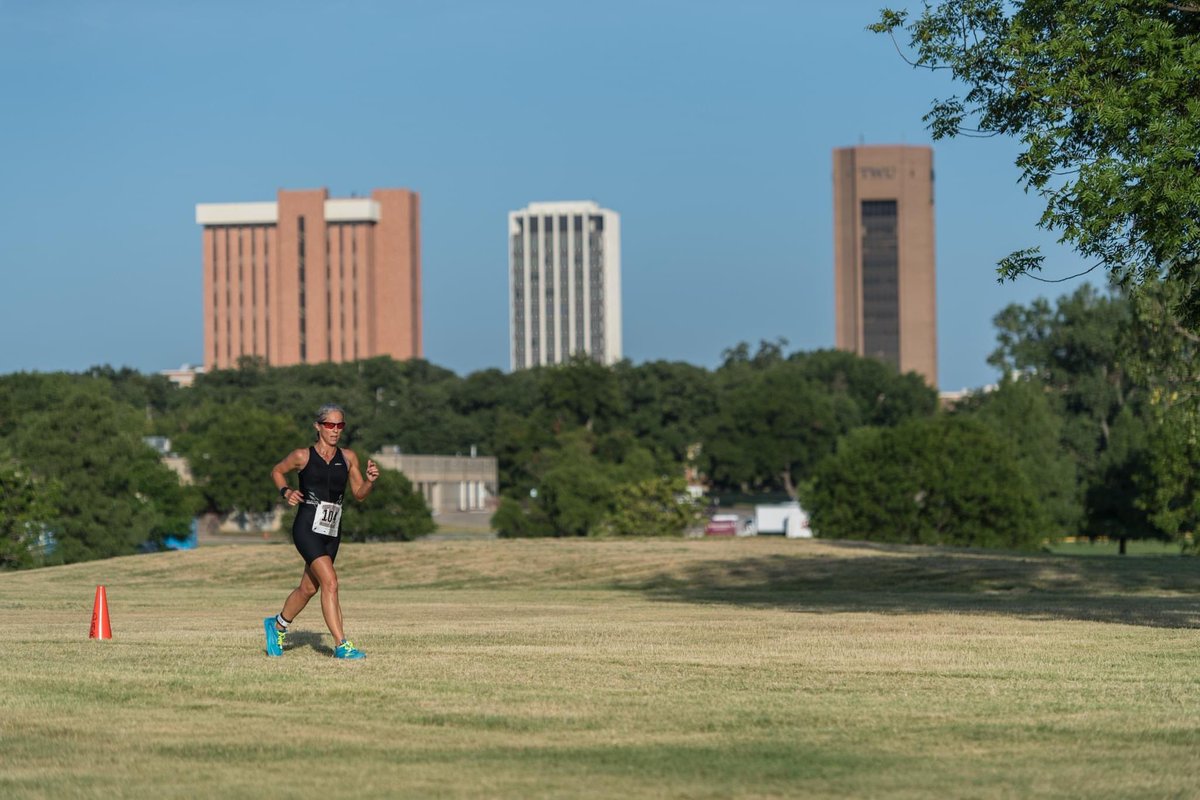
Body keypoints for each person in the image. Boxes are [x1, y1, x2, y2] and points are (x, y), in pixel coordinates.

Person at [265, 403, 379, 659]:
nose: (335, 430)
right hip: (307, 526)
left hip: (331, 529)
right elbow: (277, 471)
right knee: (331, 582)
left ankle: (277, 625)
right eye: (330, 425)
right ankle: (341, 645)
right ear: (318, 426)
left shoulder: (348, 458)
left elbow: (359, 494)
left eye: (340, 425)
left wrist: (370, 482)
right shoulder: (302, 456)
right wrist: (286, 492)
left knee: (308, 588)